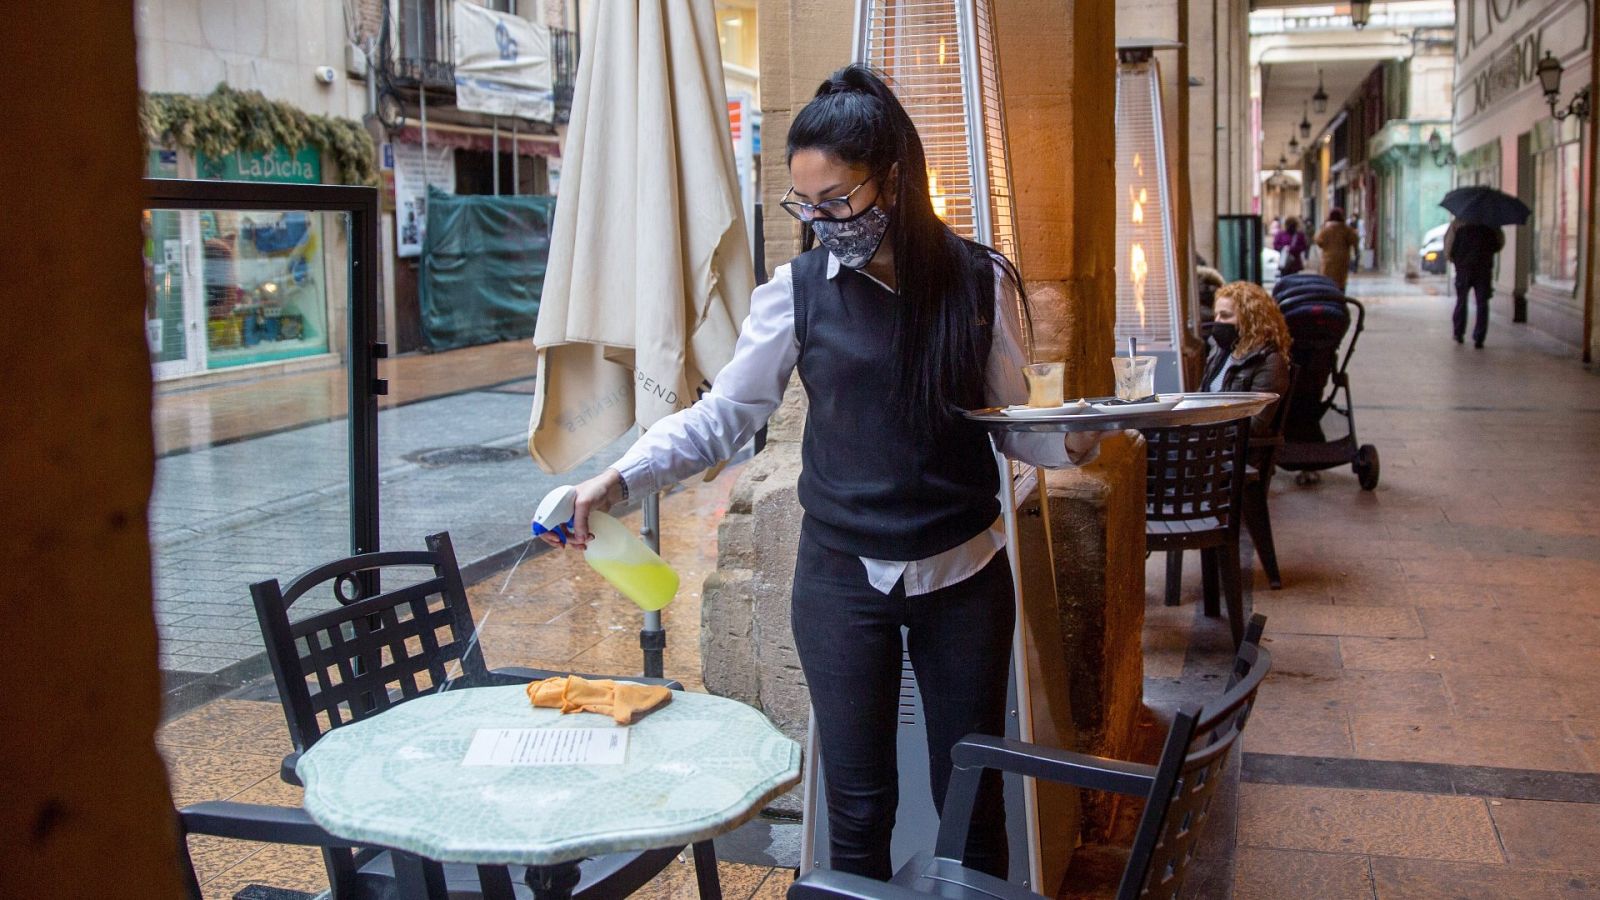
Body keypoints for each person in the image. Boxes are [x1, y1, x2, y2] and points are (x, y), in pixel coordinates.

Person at [539, 65, 1110, 881]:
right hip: (841, 578)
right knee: (856, 800)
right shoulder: (794, 293)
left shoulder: (977, 283)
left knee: (972, 794)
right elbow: (722, 417)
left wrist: (1081, 437)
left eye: (837, 200)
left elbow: (1013, 425)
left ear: (896, 179)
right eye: (805, 204)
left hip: (965, 573)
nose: (822, 221)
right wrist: (617, 480)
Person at [1202, 282, 1291, 444]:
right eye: (1216, 315)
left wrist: (1201, 424)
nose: (1217, 321)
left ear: (1249, 319)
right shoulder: (1221, 349)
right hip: (1206, 440)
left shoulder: (1270, 361)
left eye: (1225, 316)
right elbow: (1201, 396)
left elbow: (1255, 425)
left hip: (1233, 453)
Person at [1444, 216, 1505, 348]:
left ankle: (1459, 332)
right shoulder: (1491, 223)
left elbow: (1448, 245)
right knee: (1482, 303)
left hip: (1463, 268)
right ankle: (1479, 337)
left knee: (1461, 300)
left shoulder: (1458, 222)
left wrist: (1454, 259)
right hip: (1483, 269)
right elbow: (1499, 243)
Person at [1314, 208, 1360, 291]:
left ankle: (1329, 296)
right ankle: (1340, 296)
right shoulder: (1346, 229)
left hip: (1328, 258)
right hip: (1342, 258)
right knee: (1340, 280)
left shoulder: (1325, 229)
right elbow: (1354, 240)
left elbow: (1318, 241)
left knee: (1327, 279)